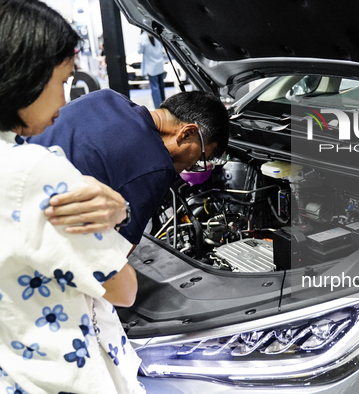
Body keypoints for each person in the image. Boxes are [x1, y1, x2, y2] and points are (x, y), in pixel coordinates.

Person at [0, 0, 144, 393]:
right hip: (62, 377)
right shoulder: (34, 170)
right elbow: (123, 288)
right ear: (25, 74)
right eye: (61, 81)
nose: (65, 103)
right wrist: (118, 212)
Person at [30, 89, 230, 247]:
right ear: (187, 133)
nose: (191, 166)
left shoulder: (106, 96)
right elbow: (115, 256)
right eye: (202, 156)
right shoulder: (157, 167)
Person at [138, 30, 166, 108]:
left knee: (155, 88)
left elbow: (139, 51)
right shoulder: (156, 34)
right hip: (160, 65)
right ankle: (164, 105)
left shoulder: (143, 37)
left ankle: (158, 107)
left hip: (151, 67)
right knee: (161, 87)